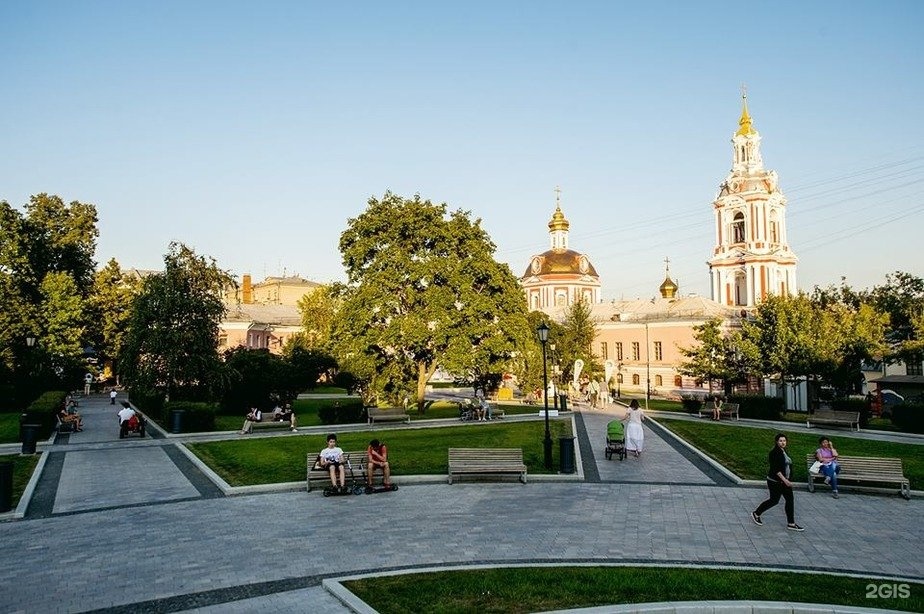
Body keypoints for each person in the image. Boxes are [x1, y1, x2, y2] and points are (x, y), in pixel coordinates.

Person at [752, 433, 804, 531]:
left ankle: (791, 523)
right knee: (774, 500)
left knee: (789, 500)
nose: (783, 442)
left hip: (785, 482)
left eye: (784, 441)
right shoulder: (774, 452)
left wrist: (788, 479)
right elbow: (776, 469)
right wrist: (785, 480)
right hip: (775, 481)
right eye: (780, 441)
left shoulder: (784, 451)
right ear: (777, 442)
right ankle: (756, 513)